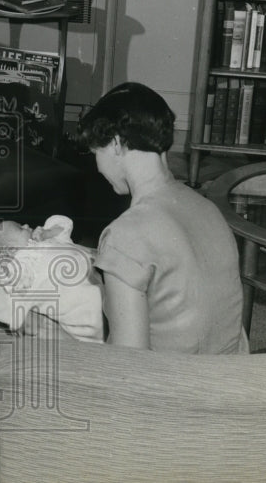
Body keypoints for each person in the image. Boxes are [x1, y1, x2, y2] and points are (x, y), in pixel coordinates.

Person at [77, 82, 248, 354]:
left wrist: (53, 336)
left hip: (171, 390)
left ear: (117, 144)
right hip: (229, 379)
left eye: (96, 152)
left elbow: (128, 365)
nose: (97, 167)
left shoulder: (123, 234)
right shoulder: (207, 209)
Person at [0, 216, 104, 342]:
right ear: (10, 249)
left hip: (93, 276)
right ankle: (91, 331)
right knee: (87, 303)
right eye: (20, 228)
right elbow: (0, 297)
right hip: (76, 301)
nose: (26, 225)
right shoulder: (19, 265)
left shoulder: (45, 239)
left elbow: (65, 224)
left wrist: (47, 232)